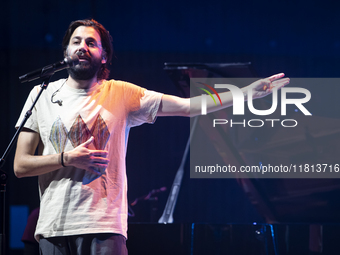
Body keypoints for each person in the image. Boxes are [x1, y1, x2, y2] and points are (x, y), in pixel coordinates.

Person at [13, 19, 289, 255]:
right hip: (53, 226)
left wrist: (248, 92)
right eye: (76, 41)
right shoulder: (41, 94)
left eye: (91, 42)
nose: (82, 47)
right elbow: (20, 166)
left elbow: (188, 106)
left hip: (103, 226)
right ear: (66, 51)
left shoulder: (121, 93)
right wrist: (66, 158)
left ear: (104, 56)